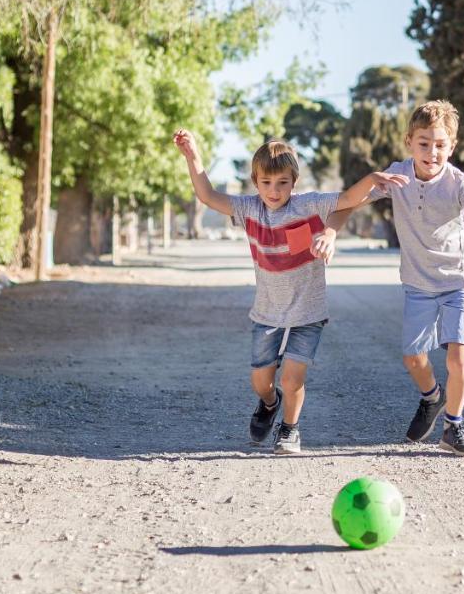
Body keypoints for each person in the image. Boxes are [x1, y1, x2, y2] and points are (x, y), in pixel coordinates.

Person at [173, 129, 406, 454]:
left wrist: (371, 179)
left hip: (308, 313)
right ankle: (269, 405)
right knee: (262, 384)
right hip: (267, 313)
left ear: (293, 182)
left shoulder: (307, 205)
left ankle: (290, 429)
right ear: (256, 182)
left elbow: (348, 200)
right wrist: (192, 155)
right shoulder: (249, 210)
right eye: (266, 183)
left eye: (282, 182)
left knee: (293, 379)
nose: (274, 190)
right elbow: (208, 196)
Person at [330, 100, 464, 457]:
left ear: (452, 147)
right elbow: (347, 203)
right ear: (409, 141)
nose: (432, 152)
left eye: (441, 144)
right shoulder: (396, 176)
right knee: (414, 359)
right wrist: (332, 232)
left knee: (459, 358)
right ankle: (432, 397)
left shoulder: (459, 183)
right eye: (424, 143)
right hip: (418, 285)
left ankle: (454, 427)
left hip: (459, 282)